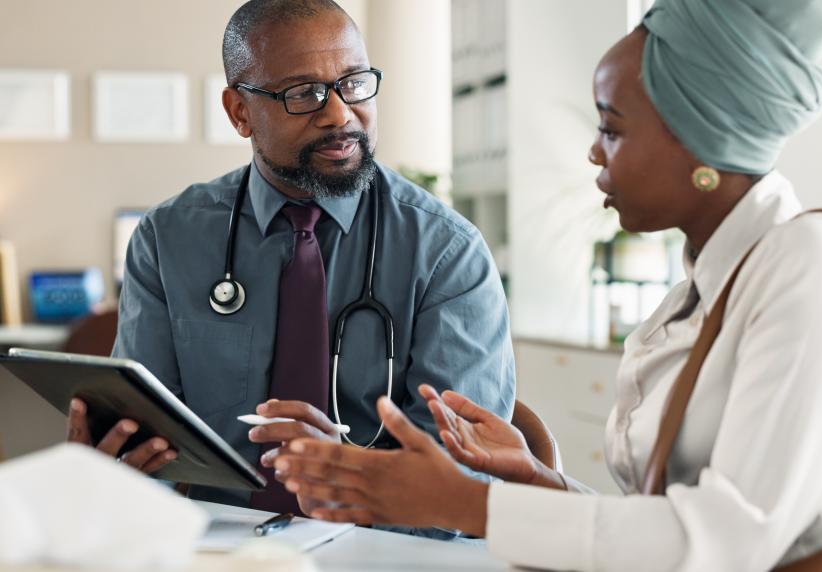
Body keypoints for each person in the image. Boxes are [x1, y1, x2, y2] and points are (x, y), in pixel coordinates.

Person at [272, 0, 822, 568]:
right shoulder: (702, 291)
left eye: (613, 128)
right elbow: (659, 535)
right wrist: (542, 483)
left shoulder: (814, 261)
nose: (594, 151)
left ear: (699, 137)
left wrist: (464, 503)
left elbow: (725, 545)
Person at [65, 0, 515, 521]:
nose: (340, 113)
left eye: (354, 82)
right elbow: (151, 434)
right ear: (239, 112)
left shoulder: (446, 251)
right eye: (304, 93)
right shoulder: (168, 238)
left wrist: (351, 480)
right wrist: (114, 461)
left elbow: (461, 477)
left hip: (383, 548)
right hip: (218, 543)